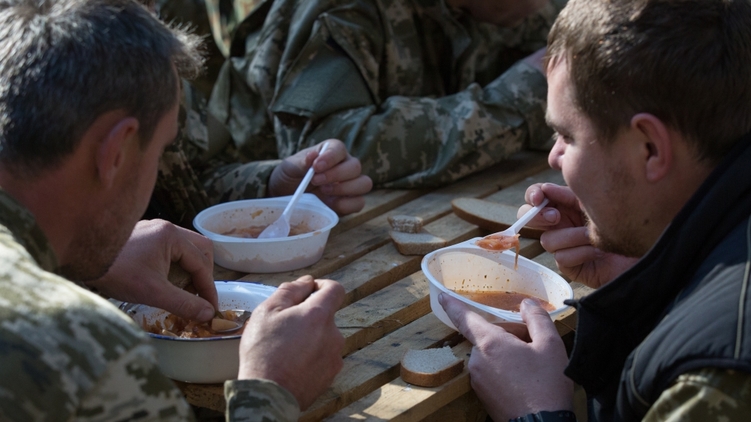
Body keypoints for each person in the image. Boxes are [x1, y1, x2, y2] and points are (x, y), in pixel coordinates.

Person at [0, 0, 344, 420]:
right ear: (117, 151)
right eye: (161, 149)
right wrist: (270, 391)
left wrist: (80, 264)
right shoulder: (88, 355)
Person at [439, 0, 751, 420]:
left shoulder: (714, 382)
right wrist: (651, 277)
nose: (554, 157)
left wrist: (536, 411)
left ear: (651, 148)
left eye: (567, 135)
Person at [151, 0, 565, 225]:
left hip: (426, 217)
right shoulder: (341, 9)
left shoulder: (522, 9)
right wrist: (522, 93)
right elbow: (325, 148)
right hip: (280, 237)